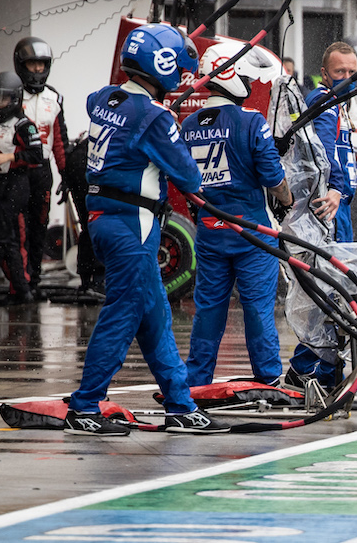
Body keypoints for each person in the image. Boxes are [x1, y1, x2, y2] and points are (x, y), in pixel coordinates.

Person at [66, 23, 227, 436]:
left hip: (103, 221)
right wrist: (163, 118)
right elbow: (188, 175)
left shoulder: (105, 98)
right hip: (132, 227)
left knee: (154, 318)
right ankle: (85, 406)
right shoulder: (156, 117)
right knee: (122, 315)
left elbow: (102, 105)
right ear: (164, 67)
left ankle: (180, 404)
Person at [181, 42, 293, 388]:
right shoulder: (250, 121)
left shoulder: (188, 125)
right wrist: (287, 202)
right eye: (243, 75)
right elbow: (274, 178)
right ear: (228, 75)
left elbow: (187, 184)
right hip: (251, 231)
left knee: (209, 309)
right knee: (258, 309)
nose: (246, 82)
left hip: (210, 232)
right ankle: (269, 378)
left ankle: (197, 379)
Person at [0, 72, 43, 307]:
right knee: (8, 240)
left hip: (16, 185)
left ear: (14, 99)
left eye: (3, 99)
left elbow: (37, 155)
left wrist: (10, 156)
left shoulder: (24, 125)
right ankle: (22, 291)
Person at [14, 37, 68, 295]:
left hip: (42, 173)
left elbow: (60, 141)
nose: (36, 70)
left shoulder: (54, 97)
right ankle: (19, 281)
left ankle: (33, 279)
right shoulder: (10, 93)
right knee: (18, 229)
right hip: (16, 172)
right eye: (32, 64)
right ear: (21, 65)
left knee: (39, 226)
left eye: (41, 65)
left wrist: (66, 175)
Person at [306, 42, 357, 242]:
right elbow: (324, 148)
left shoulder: (337, 101)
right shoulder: (324, 101)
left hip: (339, 203)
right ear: (324, 73)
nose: (347, 78)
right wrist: (336, 187)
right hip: (331, 202)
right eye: (339, 71)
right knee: (336, 269)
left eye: (351, 72)